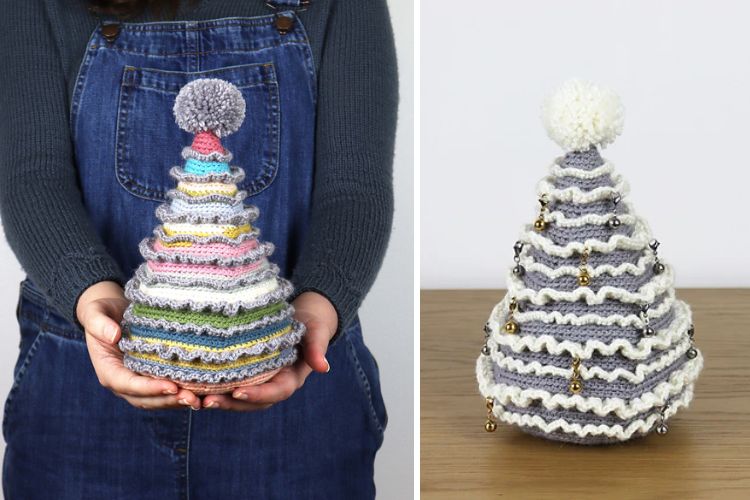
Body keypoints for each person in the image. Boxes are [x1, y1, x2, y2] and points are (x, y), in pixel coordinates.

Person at [0, 0, 397, 497]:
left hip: (294, 392)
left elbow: (355, 187)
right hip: (78, 390)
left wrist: (321, 305)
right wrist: (90, 296)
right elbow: (31, 176)